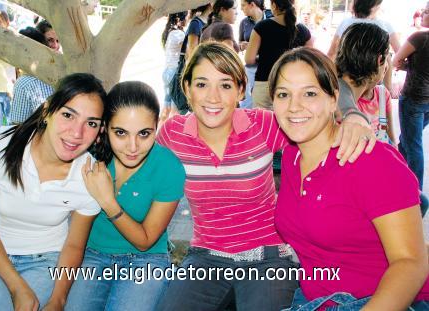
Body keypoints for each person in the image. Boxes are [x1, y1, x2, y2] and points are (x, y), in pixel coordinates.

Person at [155, 42, 375, 311]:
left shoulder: (262, 125)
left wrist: (354, 117)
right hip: (206, 258)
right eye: (201, 84)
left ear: (240, 90)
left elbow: (319, 108)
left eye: (225, 85)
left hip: (268, 258)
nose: (213, 97)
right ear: (187, 89)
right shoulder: (172, 134)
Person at [269, 47, 429, 311]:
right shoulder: (290, 157)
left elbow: (411, 262)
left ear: (334, 99)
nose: (294, 106)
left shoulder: (372, 160)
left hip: (376, 301)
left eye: (309, 93)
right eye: (283, 94)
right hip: (313, 300)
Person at [0, 73, 106, 310]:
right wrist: (17, 287)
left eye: (91, 123)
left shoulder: (90, 176)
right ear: (47, 111)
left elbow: (74, 246)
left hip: (46, 260)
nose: (76, 133)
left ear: (100, 131)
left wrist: (58, 300)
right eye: (68, 115)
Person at [64, 81, 185, 311]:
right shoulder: (88, 153)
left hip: (146, 259)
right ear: (105, 128)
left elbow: (146, 240)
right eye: (120, 133)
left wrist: (108, 202)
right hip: (91, 254)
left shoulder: (169, 167)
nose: (133, 146)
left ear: (157, 126)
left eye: (144, 134)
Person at [393, 1, 429, 216]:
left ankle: (414, 196)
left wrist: (408, 64)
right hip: (427, 102)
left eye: (427, 12)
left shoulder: (419, 38)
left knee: (412, 144)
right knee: (406, 141)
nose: (423, 14)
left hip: (413, 98)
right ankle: (398, 177)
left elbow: (396, 60)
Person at [245, 0, 313, 110]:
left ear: (274, 5)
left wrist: (264, 56)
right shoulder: (303, 30)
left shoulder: (262, 26)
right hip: (293, 85)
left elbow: (249, 59)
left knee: (262, 123)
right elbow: (310, 61)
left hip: (265, 82)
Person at [327, 0, 400, 95]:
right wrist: (388, 87)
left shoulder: (345, 23)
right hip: (374, 81)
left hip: (347, 80)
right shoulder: (384, 26)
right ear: (375, 5)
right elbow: (398, 53)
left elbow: (332, 53)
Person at [9, 27, 55, 124]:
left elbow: (17, 125)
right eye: (50, 41)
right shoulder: (61, 75)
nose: (55, 46)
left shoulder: (25, 83)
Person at [238, 0, 272, 109]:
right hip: (251, 68)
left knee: (267, 103)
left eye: (243, 5)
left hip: (270, 68)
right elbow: (240, 43)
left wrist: (255, 45)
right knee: (248, 102)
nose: (241, 8)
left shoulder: (271, 17)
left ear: (252, 4)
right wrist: (243, 45)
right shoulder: (244, 22)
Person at [161, 12, 188, 121]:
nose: (187, 19)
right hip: (174, 74)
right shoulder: (179, 34)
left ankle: (159, 132)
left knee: (166, 107)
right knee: (174, 111)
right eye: (186, 17)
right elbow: (188, 50)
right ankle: (171, 134)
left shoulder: (169, 32)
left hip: (167, 71)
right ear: (179, 18)